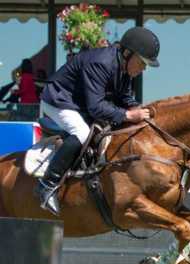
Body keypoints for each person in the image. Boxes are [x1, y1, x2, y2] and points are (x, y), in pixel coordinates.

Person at [36, 27, 160, 216]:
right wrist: (128, 115)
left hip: (79, 105)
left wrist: (138, 108)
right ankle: (47, 185)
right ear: (127, 53)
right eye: (142, 62)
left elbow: (124, 97)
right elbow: (96, 107)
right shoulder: (101, 63)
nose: (144, 68)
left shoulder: (124, 67)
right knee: (82, 133)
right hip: (58, 101)